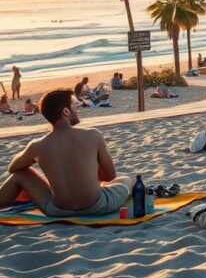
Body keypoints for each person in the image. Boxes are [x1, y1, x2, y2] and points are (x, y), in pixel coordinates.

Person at [0, 89, 132, 217]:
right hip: (98, 205)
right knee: (126, 179)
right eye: (75, 105)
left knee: (21, 174)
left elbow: (13, 168)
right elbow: (110, 176)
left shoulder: (37, 145)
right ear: (66, 111)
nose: (77, 109)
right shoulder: (93, 135)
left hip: (58, 210)